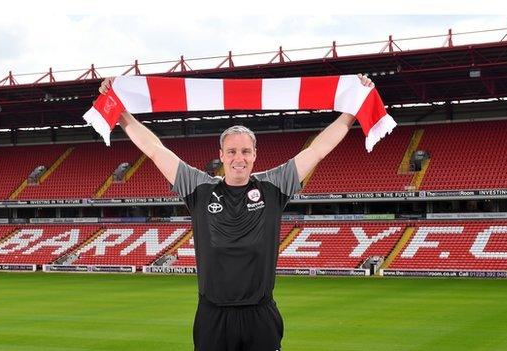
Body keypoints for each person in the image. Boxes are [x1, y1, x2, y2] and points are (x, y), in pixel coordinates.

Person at [99, 74, 374, 351]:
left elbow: (318, 150)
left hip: (260, 314)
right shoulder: (199, 188)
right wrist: (121, 114)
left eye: (245, 151)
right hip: (213, 315)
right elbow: (155, 150)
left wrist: (352, 110)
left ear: (255, 154)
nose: (238, 158)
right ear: (221, 154)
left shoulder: (273, 186)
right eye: (231, 151)